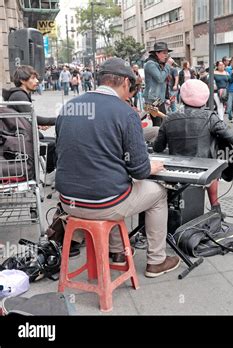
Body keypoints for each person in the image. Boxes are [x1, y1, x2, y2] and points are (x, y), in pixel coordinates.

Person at [55, 57, 180, 277]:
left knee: (113, 184)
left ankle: (117, 251)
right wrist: (152, 166)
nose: (129, 93)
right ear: (124, 82)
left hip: (68, 202)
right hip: (103, 204)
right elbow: (139, 170)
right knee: (158, 193)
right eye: (130, 87)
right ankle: (156, 261)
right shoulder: (126, 112)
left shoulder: (70, 106)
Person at [154, 79, 233, 217]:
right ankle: (215, 206)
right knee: (212, 163)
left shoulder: (169, 118)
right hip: (204, 169)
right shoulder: (210, 117)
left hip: (176, 171)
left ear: (182, 97)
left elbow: (158, 147)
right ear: (205, 98)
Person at [2, 65, 57, 184]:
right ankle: (50, 174)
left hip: (24, 135)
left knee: (53, 141)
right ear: (22, 80)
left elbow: (27, 118)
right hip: (23, 140)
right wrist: (59, 119)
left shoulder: (20, 94)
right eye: (33, 78)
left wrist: (37, 125)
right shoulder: (19, 95)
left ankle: (50, 174)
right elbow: (35, 118)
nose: (37, 81)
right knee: (54, 143)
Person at [144, 42, 172, 127]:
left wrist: (167, 97)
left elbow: (163, 83)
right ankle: (156, 140)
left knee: (163, 123)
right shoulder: (150, 64)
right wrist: (167, 65)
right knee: (157, 125)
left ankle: (160, 139)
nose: (166, 55)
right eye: (164, 53)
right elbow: (160, 78)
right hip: (152, 100)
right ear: (157, 53)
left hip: (159, 99)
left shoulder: (160, 64)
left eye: (167, 53)